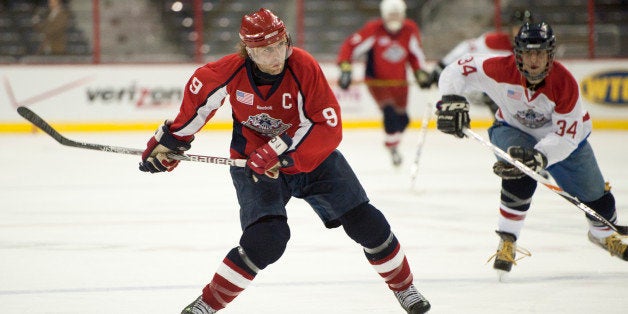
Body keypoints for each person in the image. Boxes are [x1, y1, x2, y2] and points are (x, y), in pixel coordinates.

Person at [138, 8, 431, 314]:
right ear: (249, 50)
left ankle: (405, 288)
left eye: (281, 44)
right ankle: (206, 305)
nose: (277, 55)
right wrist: (169, 144)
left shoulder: (302, 65)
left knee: (367, 223)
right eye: (266, 50)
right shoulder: (227, 72)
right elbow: (194, 108)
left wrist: (284, 154)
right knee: (266, 240)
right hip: (253, 164)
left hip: (312, 157)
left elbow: (328, 127)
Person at [434, 21, 628, 277]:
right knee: (517, 169)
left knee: (597, 197)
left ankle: (602, 235)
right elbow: (456, 70)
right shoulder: (498, 68)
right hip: (514, 130)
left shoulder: (565, 83)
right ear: (517, 53)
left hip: (566, 141)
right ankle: (508, 239)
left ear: (550, 54)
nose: (534, 59)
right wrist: (451, 100)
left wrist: (541, 156)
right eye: (528, 52)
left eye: (541, 52)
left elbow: (565, 137)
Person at [336, 0, 431, 167]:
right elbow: (351, 46)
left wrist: (420, 73)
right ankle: (392, 147)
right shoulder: (374, 29)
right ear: (384, 15)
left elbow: (415, 55)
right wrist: (345, 68)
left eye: (397, 14)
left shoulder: (410, 29)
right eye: (391, 15)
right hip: (377, 82)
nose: (394, 18)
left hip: (400, 83)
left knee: (403, 119)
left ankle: (393, 143)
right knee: (389, 112)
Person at [429, 9, 533, 116]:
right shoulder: (495, 42)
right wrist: (442, 65)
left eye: (526, 28)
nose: (522, 32)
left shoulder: (537, 51)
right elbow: (468, 47)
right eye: (518, 27)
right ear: (511, 29)